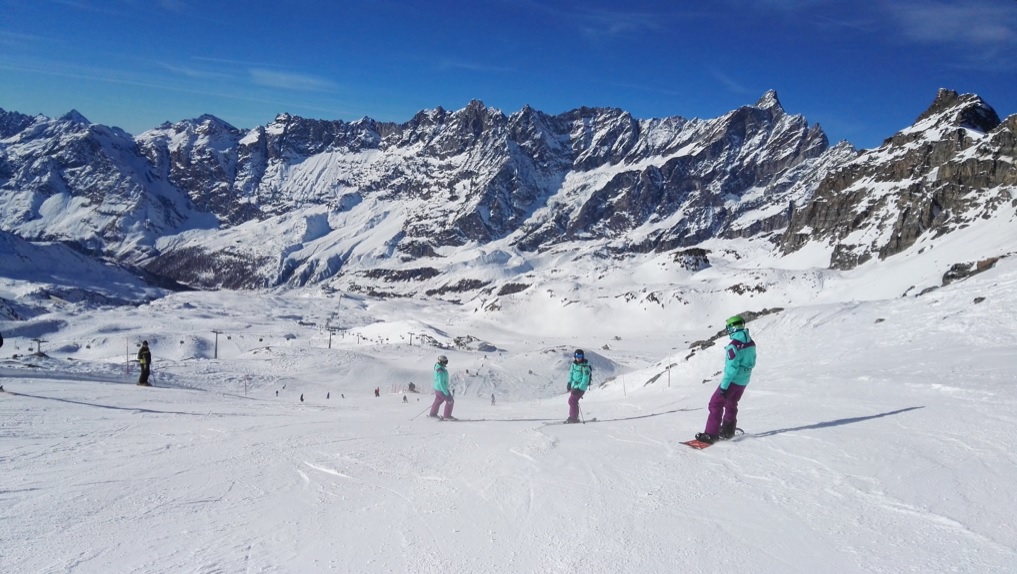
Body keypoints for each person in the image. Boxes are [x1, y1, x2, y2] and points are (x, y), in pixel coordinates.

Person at [696, 315, 757, 444]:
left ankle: (711, 434)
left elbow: (731, 370)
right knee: (731, 403)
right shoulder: (751, 342)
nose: (728, 330)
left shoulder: (734, 346)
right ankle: (728, 430)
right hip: (744, 380)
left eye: (728, 328)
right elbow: (753, 361)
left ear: (732, 328)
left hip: (733, 381)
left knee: (715, 403)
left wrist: (723, 387)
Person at [565, 349, 592, 423]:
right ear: (575, 356)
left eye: (580, 356)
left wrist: (580, 388)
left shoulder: (585, 366)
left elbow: (585, 379)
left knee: (572, 401)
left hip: (581, 387)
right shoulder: (574, 365)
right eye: (577, 356)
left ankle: (573, 418)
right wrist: (569, 383)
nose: (578, 358)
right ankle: (574, 417)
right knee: (572, 401)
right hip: (574, 386)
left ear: (582, 356)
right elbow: (571, 374)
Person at [428, 355, 455, 420]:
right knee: (450, 400)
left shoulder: (438, 367)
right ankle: (447, 416)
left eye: (446, 362)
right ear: (441, 362)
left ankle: (433, 414)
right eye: (445, 362)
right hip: (441, 389)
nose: (446, 363)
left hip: (437, 388)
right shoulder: (440, 371)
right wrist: (445, 392)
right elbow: (441, 383)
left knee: (439, 400)